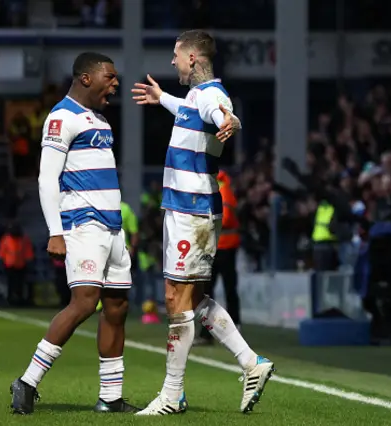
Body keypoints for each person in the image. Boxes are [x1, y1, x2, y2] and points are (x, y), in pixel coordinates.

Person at [131, 30, 274, 415]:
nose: (172, 61)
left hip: (193, 210)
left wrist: (232, 121)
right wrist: (163, 99)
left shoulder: (213, 96)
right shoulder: (195, 95)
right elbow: (192, 109)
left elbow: (221, 113)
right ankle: (250, 363)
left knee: (178, 300)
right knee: (185, 300)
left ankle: (172, 394)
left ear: (192, 57)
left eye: (176, 55)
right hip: (182, 207)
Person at [9, 52, 139, 415]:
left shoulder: (98, 119)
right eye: (109, 77)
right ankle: (27, 381)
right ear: (86, 78)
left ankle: (110, 397)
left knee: (117, 306)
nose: (115, 84)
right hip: (83, 225)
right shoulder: (61, 117)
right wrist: (56, 232)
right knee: (84, 302)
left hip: (113, 229)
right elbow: (46, 178)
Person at [195, 169, 242, 345]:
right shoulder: (219, 190)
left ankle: (222, 331)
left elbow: (226, 219)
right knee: (216, 290)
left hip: (223, 247)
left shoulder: (222, 192)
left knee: (219, 290)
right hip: (217, 247)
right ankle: (215, 332)